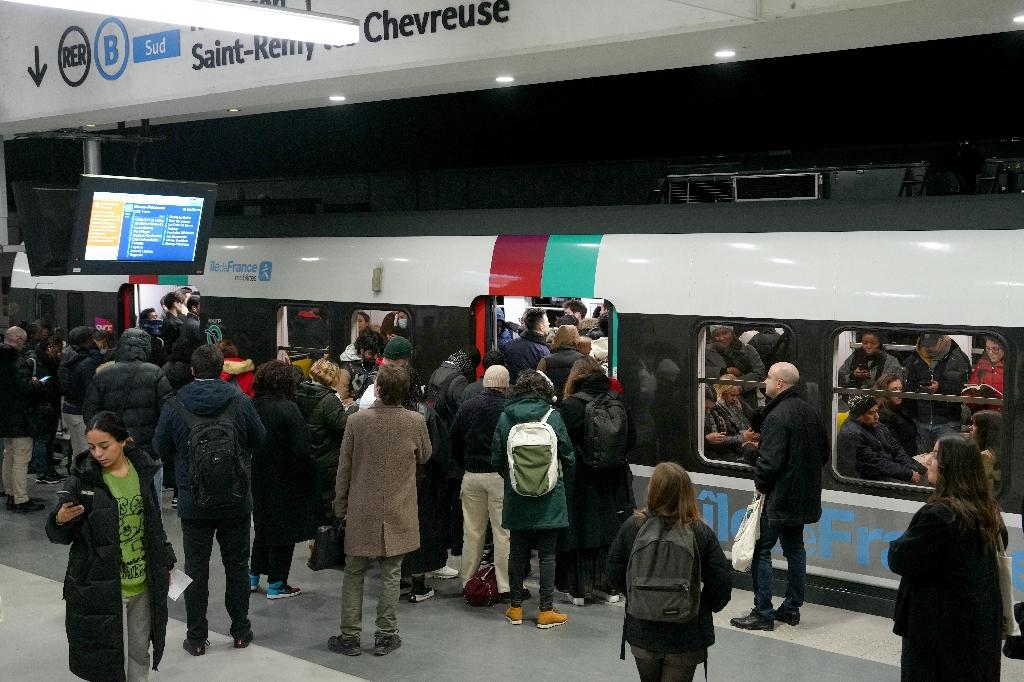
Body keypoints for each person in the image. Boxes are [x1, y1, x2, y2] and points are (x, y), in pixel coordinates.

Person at [152, 344, 266, 655]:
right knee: (237, 566)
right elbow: (260, 439)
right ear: (222, 370)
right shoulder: (240, 401)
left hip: (194, 503)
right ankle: (241, 631)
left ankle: (197, 637)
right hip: (236, 499)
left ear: (192, 370)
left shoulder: (175, 406)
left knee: (196, 569)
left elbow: (159, 446)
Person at [46, 411, 176, 682]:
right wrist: (60, 520)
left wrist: (166, 560)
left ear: (124, 441)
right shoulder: (83, 480)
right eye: (92, 447)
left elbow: (152, 523)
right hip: (101, 587)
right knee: (106, 660)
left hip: (142, 583)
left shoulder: (142, 472)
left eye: (104, 446)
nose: (98, 454)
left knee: (140, 652)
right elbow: (57, 533)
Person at [329, 365, 431, 657]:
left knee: (354, 572)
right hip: (399, 508)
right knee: (391, 573)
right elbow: (425, 454)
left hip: (361, 508)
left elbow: (344, 468)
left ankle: (349, 636)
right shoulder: (416, 421)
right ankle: (386, 635)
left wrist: (340, 505)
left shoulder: (356, 422)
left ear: (378, 389)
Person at [888, 435, 1006, 682]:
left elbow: (901, 558)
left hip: (939, 628)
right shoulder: (989, 511)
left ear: (950, 465)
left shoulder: (941, 516)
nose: (928, 461)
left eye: (935, 454)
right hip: (979, 624)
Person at [606, 462, 733, 682]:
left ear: (652, 490)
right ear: (687, 492)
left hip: (643, 631)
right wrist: (700, 605)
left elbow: (613, 571)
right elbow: (721, 583)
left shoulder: (633, 527)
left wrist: (637, 595)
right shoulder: (699, 531)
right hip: (686, 633)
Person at [731, 362, 828, 631]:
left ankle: (763, 613)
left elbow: (770, 463)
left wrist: (755, 466)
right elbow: (823, 455)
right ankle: (792, 608)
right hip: (804, 495)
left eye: (769, 377)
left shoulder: (776, 416)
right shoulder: (812, 412)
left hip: (778, 496)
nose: (765, 380)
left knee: (762, 550)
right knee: (795, 550)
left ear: (780, 384)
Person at [491, 370, 575, 629]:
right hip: (550, 496)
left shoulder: (506, 417)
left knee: (517, 552)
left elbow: (496, 458)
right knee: (548, 555)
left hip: (517, 497)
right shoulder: (554, 416)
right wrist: (558, 480)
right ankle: (546, 610)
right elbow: (569, 456)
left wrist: (514, 479)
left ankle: (515, 608)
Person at [557, 356, 635, 604]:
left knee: (580, 531)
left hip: (580, 481)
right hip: (614, 481)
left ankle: (579, 590)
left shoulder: (571, 406)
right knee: (610, 532)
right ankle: (610, 588)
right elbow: (633, 439)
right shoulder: (618, 402)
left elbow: (560, 443)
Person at [249, 360, 318, 599]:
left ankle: (253, 576)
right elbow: (302, 450)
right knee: (283, 531)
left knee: (262, 526)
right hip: (286, 479)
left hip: (256, 477)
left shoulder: (251, 405)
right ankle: (277, 584)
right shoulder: (288, 408)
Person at [83, 328, 173, 498]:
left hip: (113, 451)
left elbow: (90, 414)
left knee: (115, 502)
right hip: (147, 452)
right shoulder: (155, 373)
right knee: (150, 503)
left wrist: (103, 444)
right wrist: (158, 447)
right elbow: (168, 414)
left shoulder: (102, 375)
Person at [450, 364, 512, 599]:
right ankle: (505, 586)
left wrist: (465, 462)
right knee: (502, 533)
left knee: (473, 532)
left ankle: (467, 581)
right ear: (505, 385)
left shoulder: (467, 407)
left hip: (471, 476)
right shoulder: (508, 409)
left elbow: (454, 438)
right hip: (498, 477)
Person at [295, 357, 349, 524]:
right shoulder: (329, 400)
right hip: (328, 458)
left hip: (309, 455)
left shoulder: (301, 392)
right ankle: (325, 544)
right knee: (327, 507)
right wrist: (352, 411)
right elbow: (342, 425)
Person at [1, 326, 44, 512]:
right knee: (21, 458)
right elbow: (24, 388)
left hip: (3, 415)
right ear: (18, 340)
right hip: (20, 416)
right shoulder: (17, 361)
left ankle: (10, 493)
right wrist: (37, 384)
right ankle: (21, 499)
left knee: (8, 455)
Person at [902, 333, 970, 450]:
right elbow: (909, 388)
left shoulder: (958, 358)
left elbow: (964, 389)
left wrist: (941, 388)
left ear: (941, 340)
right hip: (920, 421)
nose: (929, 348)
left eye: (933, 345)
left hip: (948, 422)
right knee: (923, 462)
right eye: (926, 345)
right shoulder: (914, 358)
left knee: (946, 460)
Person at [837, 395, 924, 483]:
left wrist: (911, 468)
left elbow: (897, 449)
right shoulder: (851, 435)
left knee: (924, 472)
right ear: (859, 416)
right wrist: (907, 473)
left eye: (877, 411)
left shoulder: (877, 426)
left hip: (887, 468)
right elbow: (875, 463)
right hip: (866, 477)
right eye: (871, 413)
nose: (877, 416)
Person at [60, 326, 105, 458]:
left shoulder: (69, 356)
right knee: (86, 452)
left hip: (69, 408)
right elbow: (90, 390)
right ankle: (82, 478)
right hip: (80, 411)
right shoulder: (87, 362)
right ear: (86, 341)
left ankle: (75, 476)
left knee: (77, 449)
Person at [30, 332, 65, 484]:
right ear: (50, 348)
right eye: (57, 350)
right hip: (42, 407)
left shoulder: (50, 362)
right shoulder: (37, 362)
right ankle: (43, 472)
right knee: (43, 440)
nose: (59, 353)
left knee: (48, 440)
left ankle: (48, 470)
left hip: (51, 406)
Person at [704, 325, 766, 411]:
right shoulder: (705, 354)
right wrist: (724, 371)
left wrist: (736, 385)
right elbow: (701, 371)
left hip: (747, 401)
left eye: (725, 333)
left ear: (732, 333)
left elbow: (760, 373)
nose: (721, 338)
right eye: (717, 335)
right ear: (712, 337)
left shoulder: (748, 350)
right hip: (719, 404)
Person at [426, 345, 481, 427]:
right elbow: (462, 411)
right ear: (469, 362)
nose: (471, 371)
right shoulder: (460, 380)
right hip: (448, 430)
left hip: (433, 424)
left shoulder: (437, 371)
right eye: (473, 367)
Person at [707, 378, 759, 463]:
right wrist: (742, 438)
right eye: (732, 395)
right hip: (729, 451)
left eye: (737, 395)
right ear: (722, 393)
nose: (735, 399)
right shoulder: (713, 409)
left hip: (743, 442)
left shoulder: (737, 404)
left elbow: (752, 415)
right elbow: (718, 440)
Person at [875, 374, 922, 463]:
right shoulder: (882, 415)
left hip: (909, 457)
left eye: (900, 389)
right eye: (894, 390)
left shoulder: (898, 407)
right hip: (901, 463)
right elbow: (893, 447)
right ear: (884, 392)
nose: (899, 393)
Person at [837, 331, 902, 390]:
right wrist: (853, 376)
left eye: (873, 343)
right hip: (853, 399)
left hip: (881, 400)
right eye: (865, 343)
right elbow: (839, 379)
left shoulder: (891, 362)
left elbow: (898, 387)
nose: (868, 346)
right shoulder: (854, 357)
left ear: (879, 343)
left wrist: (879, 383)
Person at [504, 308, 551, 383]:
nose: (549, 324)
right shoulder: (543, 351)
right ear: (541, 327)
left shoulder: (510, 345)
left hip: (512, 390)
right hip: (532, 391)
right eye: (547, 322)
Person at [537, 324, 584, 398]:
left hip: (552, 402)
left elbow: (538, 383)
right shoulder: (583, 359)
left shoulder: (545, 361)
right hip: (576, 401)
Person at [341, 330, 384, 404]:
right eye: (371, 353)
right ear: (361, 351)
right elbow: (342, 400)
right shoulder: (347, 369)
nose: (375, 357)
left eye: (378, 354)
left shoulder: (378, 367)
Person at [965, 337, 1005, 413]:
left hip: (1003, 415)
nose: (990, 352)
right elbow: (969, 394)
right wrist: (974, 396)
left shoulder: (1014, 366)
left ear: (1005, 349)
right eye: (987, 348)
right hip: (982, 414)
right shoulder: (982, 364)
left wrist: (994, 395)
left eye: (995, 349)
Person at [968, 410, 1002, 490]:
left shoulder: (985, 457)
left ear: (983, 431)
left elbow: (981, 488)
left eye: (974, 424)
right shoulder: (999, 452)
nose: (970, 427)